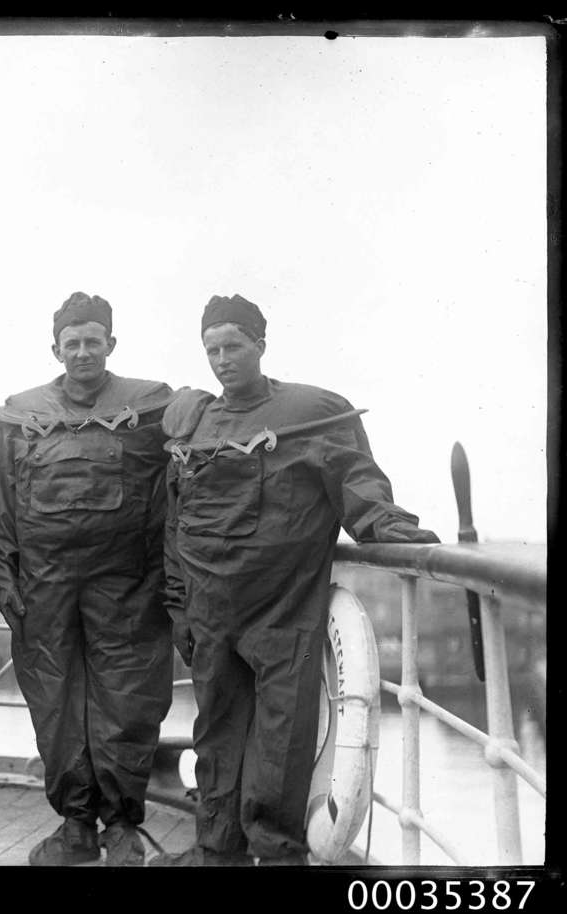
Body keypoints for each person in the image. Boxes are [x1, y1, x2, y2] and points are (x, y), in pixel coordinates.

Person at [155, 294, 440, 866]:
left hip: (281, 606)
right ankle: (218, 849)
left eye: (233, 346)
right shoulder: (196, 424)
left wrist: (385, 522)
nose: (222, 359)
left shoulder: (312, 414)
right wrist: (179, 603)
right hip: (211, 608)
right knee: (216, 731)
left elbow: (356, 481)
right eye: (212, 349)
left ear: (261, 345)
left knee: (284, 735)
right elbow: (174, 518)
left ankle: (278, 853)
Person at [0, 292, 178, 866]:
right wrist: (5, 572)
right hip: (44, 583)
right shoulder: (22, 413)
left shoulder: (149, 406)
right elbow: (4, 500)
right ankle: (76, 822)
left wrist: (163, 577)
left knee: (128, 699)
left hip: (127, 582)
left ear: (110, 345)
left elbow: (170, 487)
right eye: (71, 343)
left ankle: (122, 822)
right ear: (56, 348)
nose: (82, 352)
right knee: (53, 699)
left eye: (93, 341)